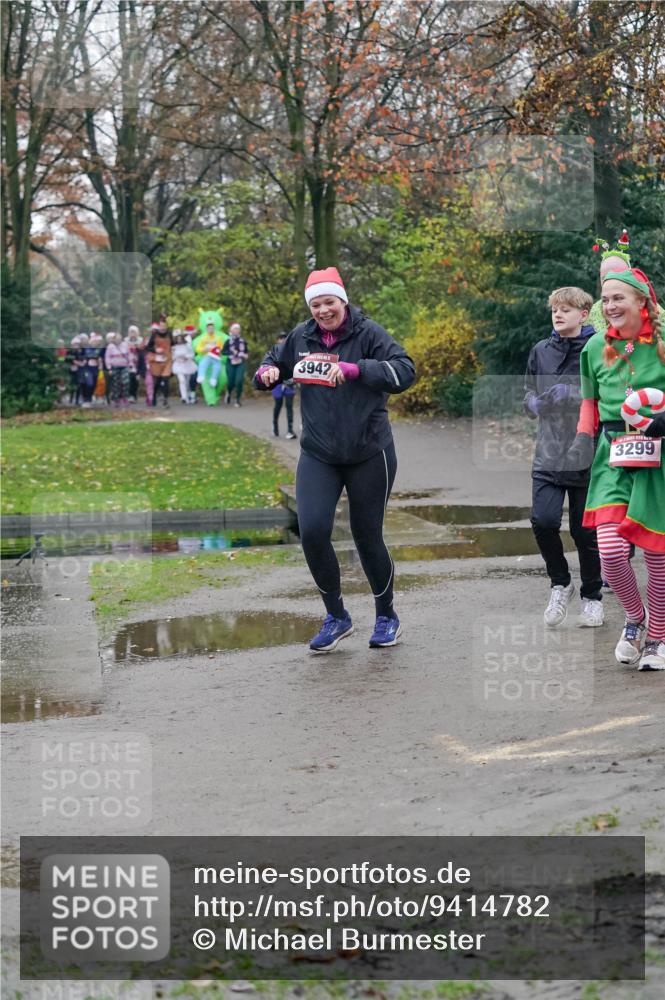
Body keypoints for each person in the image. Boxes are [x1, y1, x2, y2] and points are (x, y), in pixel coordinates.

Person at [254, 266, 415, 652]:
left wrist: (358, 369)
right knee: (311, 531)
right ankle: (337, 616)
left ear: (342, 300)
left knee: (366, 536)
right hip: (319, 454)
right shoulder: (302, 335)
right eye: (316, 304)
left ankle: (386, 616)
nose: (323, 310)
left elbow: (405, 371)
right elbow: (268, 365)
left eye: (329, 302)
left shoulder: (369, 332)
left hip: (369, 451)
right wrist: (268, 373)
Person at [568, 267, 665, 670]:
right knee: (609, 550)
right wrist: (580, 439)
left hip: (657, 454)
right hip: (612, 454)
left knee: (657, 552)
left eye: (618, 298)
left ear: (642, 302)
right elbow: (589, 401)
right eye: (605, 299)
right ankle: (635, 618)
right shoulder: (592, 349)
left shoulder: (662, 343)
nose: (609, 307)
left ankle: (658, 638)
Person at [524, 287, 603, 627]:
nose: (558, 315)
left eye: (566, 310)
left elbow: (606, 391)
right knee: (542, 522)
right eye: (555, 309)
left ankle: (592, 597)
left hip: (586, 451)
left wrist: (570, 393)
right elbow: (526, 390)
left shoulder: (598, 347)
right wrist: (533, 404)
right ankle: (561, 583)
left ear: (583, 315)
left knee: (584, 532)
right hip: (547, 453)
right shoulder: (540, 350)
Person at [271, 333, 297, 439]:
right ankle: (275, 426)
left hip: (289, 384)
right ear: (277, 340)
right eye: (280, 338)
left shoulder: (292, 351)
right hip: (278, 385)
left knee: (289, 406)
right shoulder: (273, 352)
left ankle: (290, 430)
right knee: (278, 405)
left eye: (284, 338)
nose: (282, 340)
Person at [145, 320, 172, 407]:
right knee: (157, 381)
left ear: (166, 326)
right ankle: (154, 396)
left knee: (166, 379)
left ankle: (165, 399)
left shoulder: (169, 334)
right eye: (161, 326)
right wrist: (155, 350)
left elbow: (174, 344)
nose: (163, 328)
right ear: (159, 327)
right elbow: (148, 347)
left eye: (164, 326)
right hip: (157, 360)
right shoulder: (154, 335)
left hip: (167, 360)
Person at [224, 322, 249, 406]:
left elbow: (246, 351)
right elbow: (223, 351)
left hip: (240, 362)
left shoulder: (243, 341)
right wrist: (231, 352)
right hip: (230, 362)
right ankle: (229, 393)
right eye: (234, 329)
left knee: (239, 380)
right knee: (231, 381)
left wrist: (246, 355)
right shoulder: (228, 341)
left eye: (237, 329)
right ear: (231, 330)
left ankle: (238, 399)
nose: (236, 330)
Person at [104, 332, 130, 405]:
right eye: (116, 338)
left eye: (119, 338)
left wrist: (130, 365)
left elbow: (129, 355)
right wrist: (109, 368)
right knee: (116, 383)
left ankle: (125, 397)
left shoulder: (125, 345)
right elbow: (107, 357)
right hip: (115, 366)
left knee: (126, 382)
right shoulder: (110, 346)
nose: (118, 340)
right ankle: (116, 398)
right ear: (114, 339)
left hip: (124, 366)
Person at [196, 322, 225, 388]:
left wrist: (219, 350)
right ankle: (201, 375)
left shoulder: (218, 338)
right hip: (207, 355)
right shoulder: (203, 338)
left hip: (216, 356)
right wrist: (203, 349)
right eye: (209, 328)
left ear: (214, 329)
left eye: (212, 328)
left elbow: (222, 347)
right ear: (206, 329)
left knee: (217, 366)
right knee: (202, 364)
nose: (210, 329)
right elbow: (198, 348)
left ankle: (213, 379)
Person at [172, 330, 197, 403]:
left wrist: (186, 357)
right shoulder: (174, 346)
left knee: (187, 381)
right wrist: (176, 357)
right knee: (182, 380)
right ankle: (184, 397)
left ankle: (188, 394)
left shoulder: (187, 345)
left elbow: (192, 355)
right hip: (178, 365)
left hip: (187, 364)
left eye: (180, 337)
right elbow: (171, 356)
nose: (179, 339)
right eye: (177, 338)